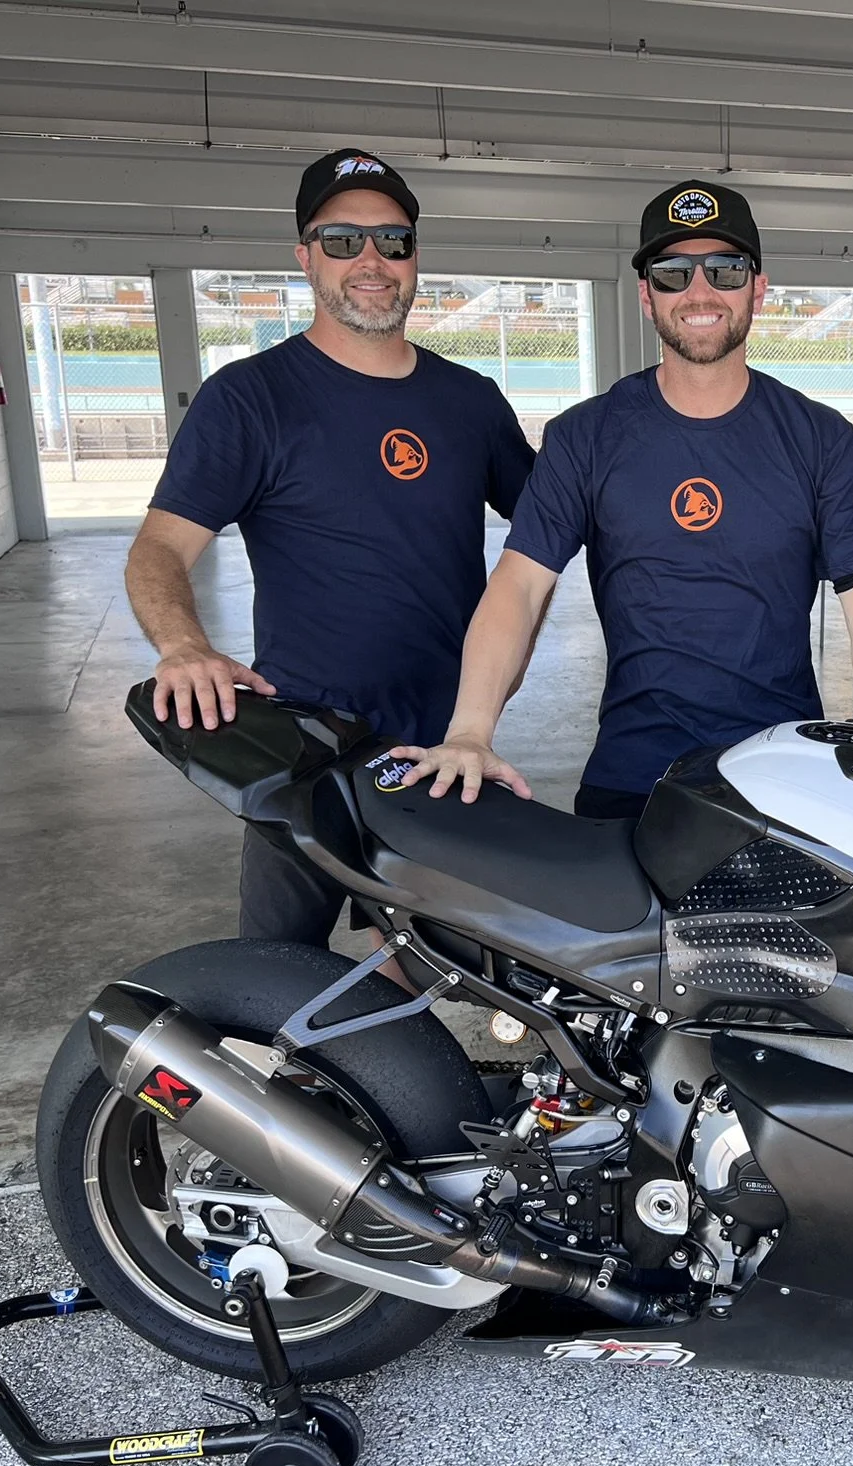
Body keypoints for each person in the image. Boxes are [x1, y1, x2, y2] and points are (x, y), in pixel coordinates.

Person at [393, 180, 853, 818]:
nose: (700, 291)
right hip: (633, 777)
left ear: (758, 286)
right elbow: (519, 584)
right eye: (673, 272)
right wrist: (470, 730)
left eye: (725, 269)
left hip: (785, 777)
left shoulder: (819, 437)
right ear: (646, 295)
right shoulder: (584, 436)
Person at [126, 147, 535, 947]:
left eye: (392, 241)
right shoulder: (251, 398)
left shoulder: (469, 401)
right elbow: (161, 547)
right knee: (277, 976)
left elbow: (556, 523)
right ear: (305, 256)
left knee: (436, 966)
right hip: (307, 747)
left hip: (444, 745)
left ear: (417, 255)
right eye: (343, 241)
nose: (372, 261)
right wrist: (182, 647)